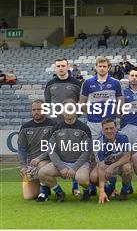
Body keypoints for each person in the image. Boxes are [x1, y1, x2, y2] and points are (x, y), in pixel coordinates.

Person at [37, 99, 92, 202]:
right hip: (62, 163)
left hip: (80, 164)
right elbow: (52, 150)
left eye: (70, 109)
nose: (68, 112)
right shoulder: (56, 128)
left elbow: (87, 151)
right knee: (42, 173)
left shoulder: (84, 128)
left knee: (82, 179)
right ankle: (59, 193)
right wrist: (61, 166)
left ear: (76, 111)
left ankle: (86, 191)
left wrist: (74, 168)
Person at [44, 57, 83, 194]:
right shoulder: (50, 84)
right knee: (53, 153)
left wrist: (75, 117)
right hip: (55, 124)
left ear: (68, 67)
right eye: (58, 66)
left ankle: (75, 187)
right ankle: (47, 188)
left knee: (74, 153)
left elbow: (81, 103)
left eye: (63, 65)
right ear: (55, 68)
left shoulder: (76, 83)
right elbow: (48, 103)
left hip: (72, 124)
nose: (61, 68)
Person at [18, 100, 57, 200]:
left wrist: (40, 158)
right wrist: (23, 166)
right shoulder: (25, 127)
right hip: (32, 164)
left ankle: (44, 191)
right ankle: (44, 186)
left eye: (39, 109)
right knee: (29, 197)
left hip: (48, 160)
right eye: (34, 110)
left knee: (41, 164)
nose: (36, 112)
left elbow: (54, 147)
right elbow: (22, 148)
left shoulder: (53, 125)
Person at [80, 56, 124, 142]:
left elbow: (121, 100)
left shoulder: (115, 82)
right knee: (93, 148)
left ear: (109, 68)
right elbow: (82, 102)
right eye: (100, 66)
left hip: (110, 121)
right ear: (96, 67)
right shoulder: (87, 82)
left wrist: (116, 112)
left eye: (104, 66)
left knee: (111, 147)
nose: (102, 68)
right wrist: (90, 113)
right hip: (93, 122)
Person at [90, 119, 133, 203]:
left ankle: (124, 190)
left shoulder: (123, 137)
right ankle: (109, 188)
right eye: (106, 129)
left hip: (119, 164)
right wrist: (101, 191)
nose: (109, 131)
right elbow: (101, 167)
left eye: (111, 128)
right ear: (102, 130)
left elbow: (127, 157)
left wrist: (113, 166)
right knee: (93, 176)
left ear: (116, 128)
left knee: (127, 168)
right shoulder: (99, 143)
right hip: (105, 166)